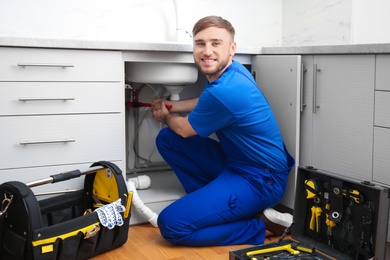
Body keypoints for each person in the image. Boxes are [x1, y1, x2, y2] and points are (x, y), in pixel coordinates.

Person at [150, 15, 295, 246]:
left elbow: (186, 130)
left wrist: (166, 115)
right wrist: (174, 105)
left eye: (216, 43)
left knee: (171, 225)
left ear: (232, 48)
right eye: (200, 43)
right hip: (238, 163)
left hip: (260, 179)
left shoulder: (226, 89)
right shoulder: (230, 72)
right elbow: (206, 101)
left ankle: (258, 226)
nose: (207, 51)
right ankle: (217, 211)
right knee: (168, 139)